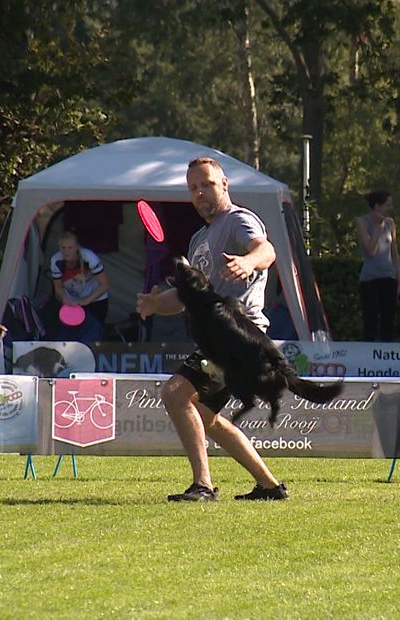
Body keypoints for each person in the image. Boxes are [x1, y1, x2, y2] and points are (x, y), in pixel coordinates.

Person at [136, 156, 288, 502]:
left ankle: (203, 486)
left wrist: (248, 261)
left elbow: (267, 249)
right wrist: (156, 303)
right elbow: (185, 298)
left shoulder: (239, 220)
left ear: (224, 185)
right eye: (193, 188)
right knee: (205, 416)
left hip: (237, 334)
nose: (200, 192)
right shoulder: (199, 239)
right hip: (224, 337)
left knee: (175, 393)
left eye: (206, 184)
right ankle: (269, 486)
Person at [355, 189, 400, 341]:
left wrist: (399, 283)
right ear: (377, 206)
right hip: (369, 279)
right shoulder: (362, 222)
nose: (390, 208)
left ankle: (385, 356)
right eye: (387, 204)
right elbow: (371, 250)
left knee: (387, 321)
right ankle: (367, 356)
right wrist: (377, 228)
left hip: (388, 277)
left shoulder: (390, 223)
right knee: (370, 320)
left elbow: (394, 253)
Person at [50, 230, 109, 342]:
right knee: (69, 337)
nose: (66, 252)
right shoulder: (56, 260)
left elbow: (105, 285)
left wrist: (86, 301)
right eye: (63, 248)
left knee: (93, 335)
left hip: (96, 300)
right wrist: (64, 298)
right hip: (73, 304)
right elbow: (58, 287)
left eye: (70, 248)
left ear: (77, 247)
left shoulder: (89, 257)